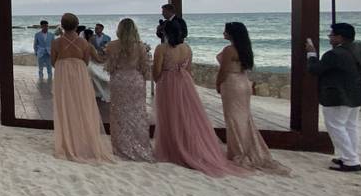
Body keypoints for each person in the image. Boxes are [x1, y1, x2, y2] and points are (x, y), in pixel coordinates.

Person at [153, 19, 244, 176]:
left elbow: (156, 73)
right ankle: (189, 145)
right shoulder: (187, 48)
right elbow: (188, 69)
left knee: (169, 115)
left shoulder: (161, 48)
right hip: (185, 82)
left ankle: (173, 148)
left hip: (167, 83)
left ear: (165, 32)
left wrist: (161, 78)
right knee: (186, 116)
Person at [307, 23, 361, 173]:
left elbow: (315, 69)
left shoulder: (333, 54)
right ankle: (347, 156)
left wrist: (311, 54)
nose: (329, 38)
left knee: (336, 126)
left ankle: (351, 160)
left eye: (331, 35)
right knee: (350, 126)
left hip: (337, 96)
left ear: (339, 37)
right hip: (357, 95)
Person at [216, 22, 289, 174]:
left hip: (232, 83)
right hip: (244, 81)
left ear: (232, 33)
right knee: (244, 117)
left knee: (233, 118)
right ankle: (247, 148)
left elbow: (223, 70)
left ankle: (239, 152)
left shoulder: (229, 49)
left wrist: (218, 84)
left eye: (226, 31)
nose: (224, 33)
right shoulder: (245, 48)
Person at [50, 14, 113, 163]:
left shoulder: (56, 42)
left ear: (62, 25)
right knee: (81, 105)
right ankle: (82, 137)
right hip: (79, 75)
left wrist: (65, 65)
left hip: (62, 74)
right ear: (77, 25)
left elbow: (53, 62)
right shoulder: (85, 43)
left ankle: (67, 138)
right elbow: (86, 61)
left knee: (65, 105)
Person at [104, 18, 154, 162]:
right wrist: (142, 79)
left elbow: (110, 67)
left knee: (119, 114)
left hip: (119, 81)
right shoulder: (140, 47)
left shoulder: (112, 46)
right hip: (135, 80)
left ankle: (120, 147)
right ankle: (139, 145)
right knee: (137, 114)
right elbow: (145, 68)